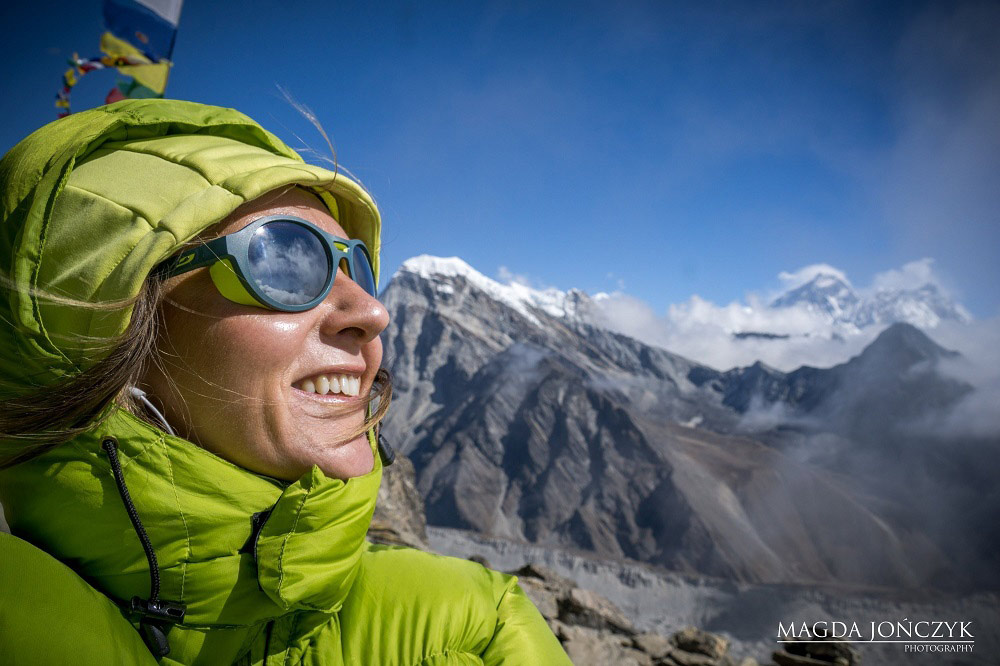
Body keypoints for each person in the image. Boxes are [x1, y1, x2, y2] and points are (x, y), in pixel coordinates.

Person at [0, 99, 571, 665]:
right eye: (284, 262)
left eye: (356, 266)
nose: (373, 311)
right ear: (106, 331)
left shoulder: (475, 631)